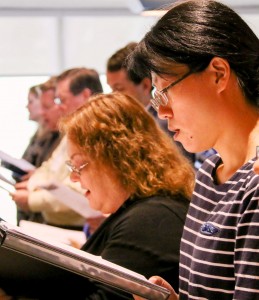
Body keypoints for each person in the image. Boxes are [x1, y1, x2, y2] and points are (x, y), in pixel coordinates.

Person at [127, 0, 259, 299]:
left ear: (218, 74)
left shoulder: (255, 181)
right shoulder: (210, 172)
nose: (161, 112)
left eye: (163, 91)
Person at [57, 92, 195, 299]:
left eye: (78, 166)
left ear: (115, 159)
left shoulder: (152, 219)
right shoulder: (146, 210)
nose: (73, 178)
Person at [11, 67, 103, 230]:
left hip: (77, 225)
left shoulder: (96, 133)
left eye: (62, 100)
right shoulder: (73, 130)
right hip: (62, 223)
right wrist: (33, 185)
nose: (59, 107)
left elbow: (77, 189)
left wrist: (31, 199)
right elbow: (49, 167)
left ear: (85, 96)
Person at [106, 42, 196, 165]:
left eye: (119, 88)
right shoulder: (120, 121)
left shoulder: (166, 124)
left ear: (145, 85)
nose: (114, 95)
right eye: (111, 88)